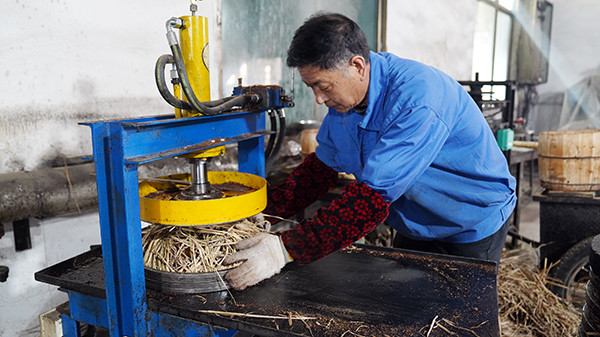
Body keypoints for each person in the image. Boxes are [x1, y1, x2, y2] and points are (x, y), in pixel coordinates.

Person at [224, 12, 516, 290]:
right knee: (406, 308)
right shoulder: (344, 107)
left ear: (357, 66)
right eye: (310, 86)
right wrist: (263, 213)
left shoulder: (418, 99)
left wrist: (284, 250)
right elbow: (319, 171)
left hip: (469, 221)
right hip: (415, 222)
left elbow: (370, 202)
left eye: (322, 86)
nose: (318, 98)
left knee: (458, 317)